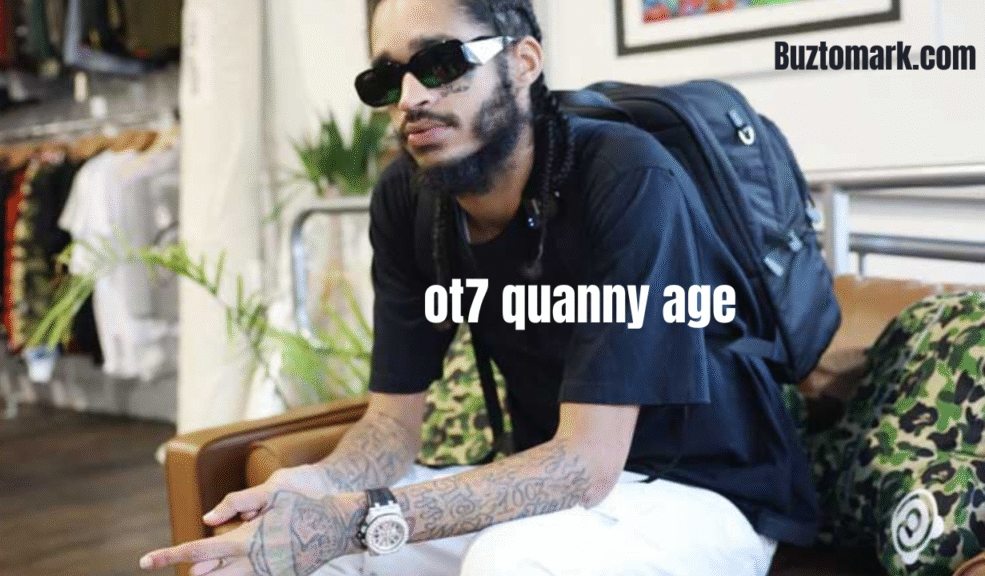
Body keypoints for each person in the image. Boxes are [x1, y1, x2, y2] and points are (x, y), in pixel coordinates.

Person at [139, 1, 820, 574]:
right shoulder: (406, 198)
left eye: (441, 64)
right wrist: (320, 484)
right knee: (304, 556)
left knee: (508, 560)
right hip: (549, 485)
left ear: (523, 62)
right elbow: (391, 425)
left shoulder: (626, 176)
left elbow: (588, 462)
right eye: (387, 78)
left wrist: (353, 517)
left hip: (704, 493)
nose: (411, 98)